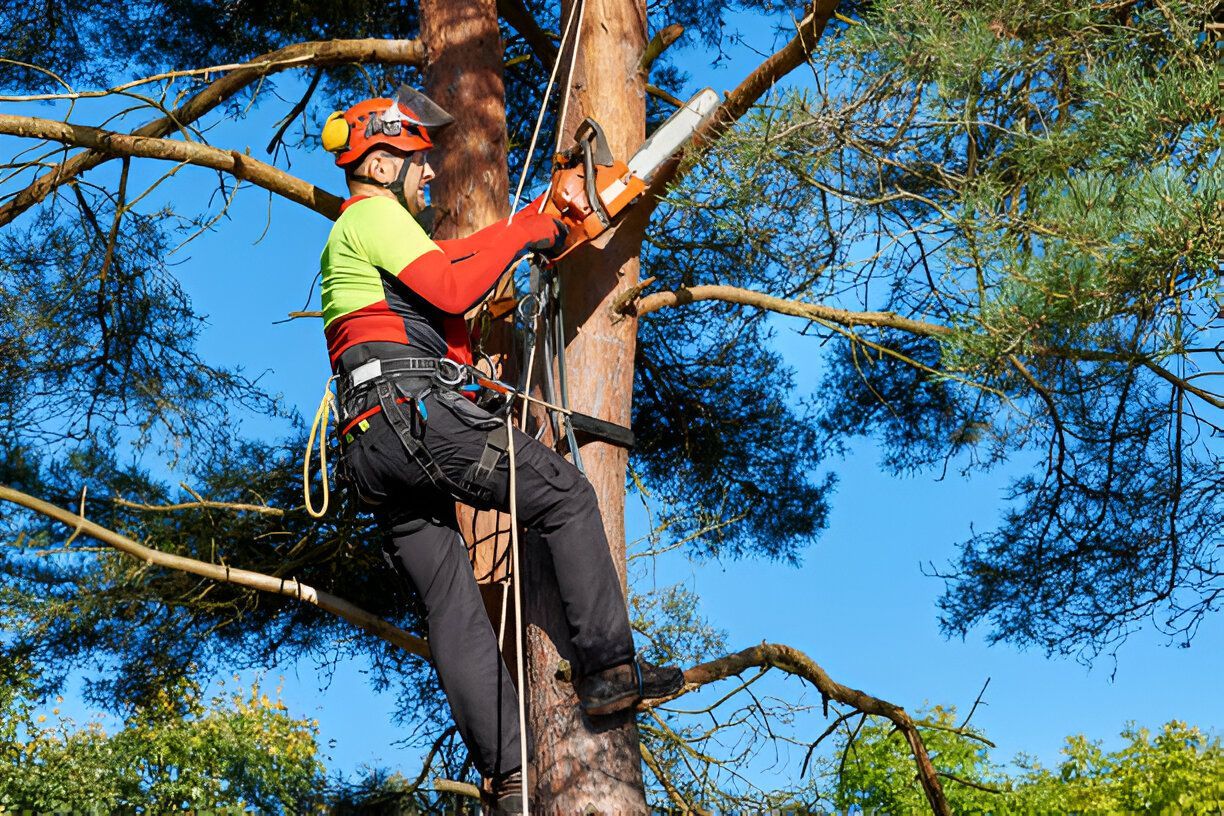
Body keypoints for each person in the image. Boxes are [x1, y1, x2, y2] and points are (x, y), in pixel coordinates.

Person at [318, 86, 683, 811]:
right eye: (420, 162)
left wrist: (531, 231)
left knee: (451, 602)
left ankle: (511, 776)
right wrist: (528, 227)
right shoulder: (374, 217)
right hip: (408, 416)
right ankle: (609, 669)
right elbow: (454, 286)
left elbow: (447, 277)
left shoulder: (369, 244)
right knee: (565, 496)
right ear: (383, 162)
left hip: (370, 444)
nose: (429, 176)